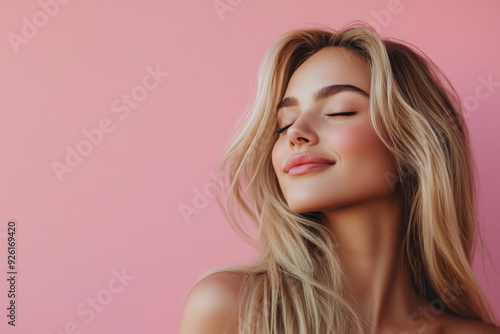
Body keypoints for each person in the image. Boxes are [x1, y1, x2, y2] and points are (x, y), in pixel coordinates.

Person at [179, 22, 500, 333]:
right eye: (283, 122)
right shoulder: (231, 310)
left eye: (340, 111)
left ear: (415, 143)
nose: (295, 133)